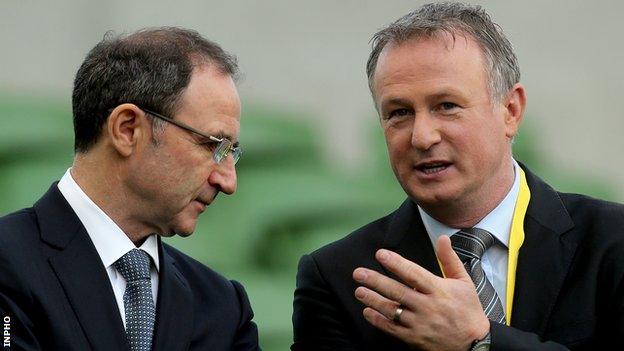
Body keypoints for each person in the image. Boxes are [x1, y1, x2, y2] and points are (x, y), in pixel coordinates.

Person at [292, 3, 624, 350]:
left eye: (446, 106)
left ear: (511, 111)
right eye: (399, 113)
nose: (422, 137)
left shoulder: (612, 242)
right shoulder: (338, 277)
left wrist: (480, 342)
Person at [0, 27, 260, 350]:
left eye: (231, 152)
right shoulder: (7, 264)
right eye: (213, 146)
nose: (228, 181)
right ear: (127, 129)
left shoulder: (223, 307)